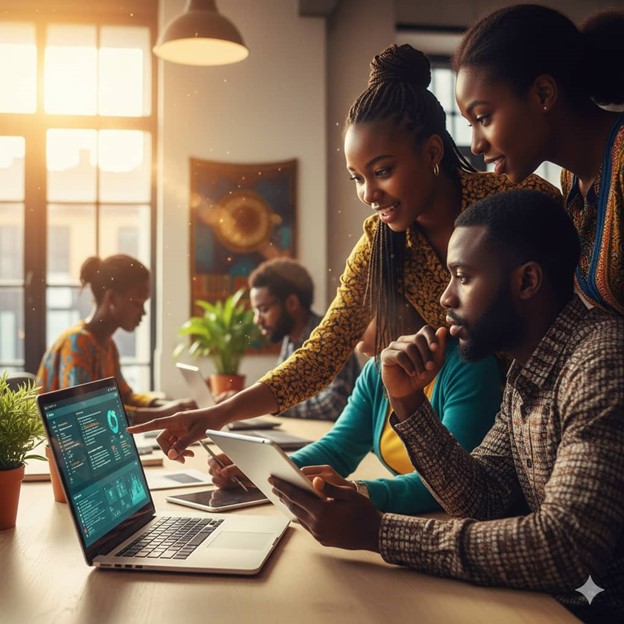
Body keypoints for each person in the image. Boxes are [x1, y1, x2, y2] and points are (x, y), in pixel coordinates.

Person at [128, 44, 559, 460]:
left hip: (552, 415)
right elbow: (319, 356)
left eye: (382, 171)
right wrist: (215, 414)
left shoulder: (517, 199)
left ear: (431, 152)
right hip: (478, 437)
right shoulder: (381, 242)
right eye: (357, 177)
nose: (368, 194)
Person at [270, 190, 624, 622]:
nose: (444, 298)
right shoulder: (524, 372)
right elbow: (480, 498)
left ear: (527, 281)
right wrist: (407, 402)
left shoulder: (600, 360)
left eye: (463, 277)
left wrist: (380, 532)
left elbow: (566, 548)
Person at [208, 299, 501, 514]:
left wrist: (362, 491)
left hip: (448, 526)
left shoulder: (468, 367)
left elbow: (453, 484)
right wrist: (262, 470)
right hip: (413, 519)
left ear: (399, 306)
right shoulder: (376, 371)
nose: (344, 324)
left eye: (357, 311)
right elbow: (338, 449)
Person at [452, 4, 624, 316]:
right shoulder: (572, 182)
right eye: (471, 125)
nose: (476, 146)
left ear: (543, 94)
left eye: (484, 117)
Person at [37, 254, 193, 424]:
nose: (143, 312)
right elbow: (86, 413)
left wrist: (171, 407)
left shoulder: (108, 345)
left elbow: (124, 397)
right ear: (111, 299)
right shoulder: (77, 343)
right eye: (138, 303)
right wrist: (163, 413)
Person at [246, 257, 360, 421]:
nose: (257, 320)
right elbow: (282, 390)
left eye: (263, 309)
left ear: (292, 303)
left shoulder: (330, 334)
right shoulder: (291, 339)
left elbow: (334, 403)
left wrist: (272, 405)